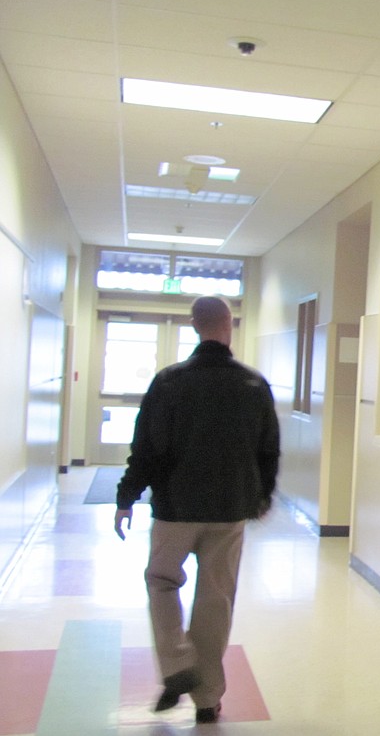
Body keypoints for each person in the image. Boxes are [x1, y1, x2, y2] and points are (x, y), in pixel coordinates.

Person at [114, 295, 280, 724]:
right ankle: (207, 699)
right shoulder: (254, 385)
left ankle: (176, 665)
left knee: (161, 582)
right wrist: (262, 496)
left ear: (193, 326)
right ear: (229, 326)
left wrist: (127, 496)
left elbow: (145, 449)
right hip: (229, 511)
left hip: (175, 508)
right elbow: (269, 450)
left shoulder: (168, 382)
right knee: (216, 600)